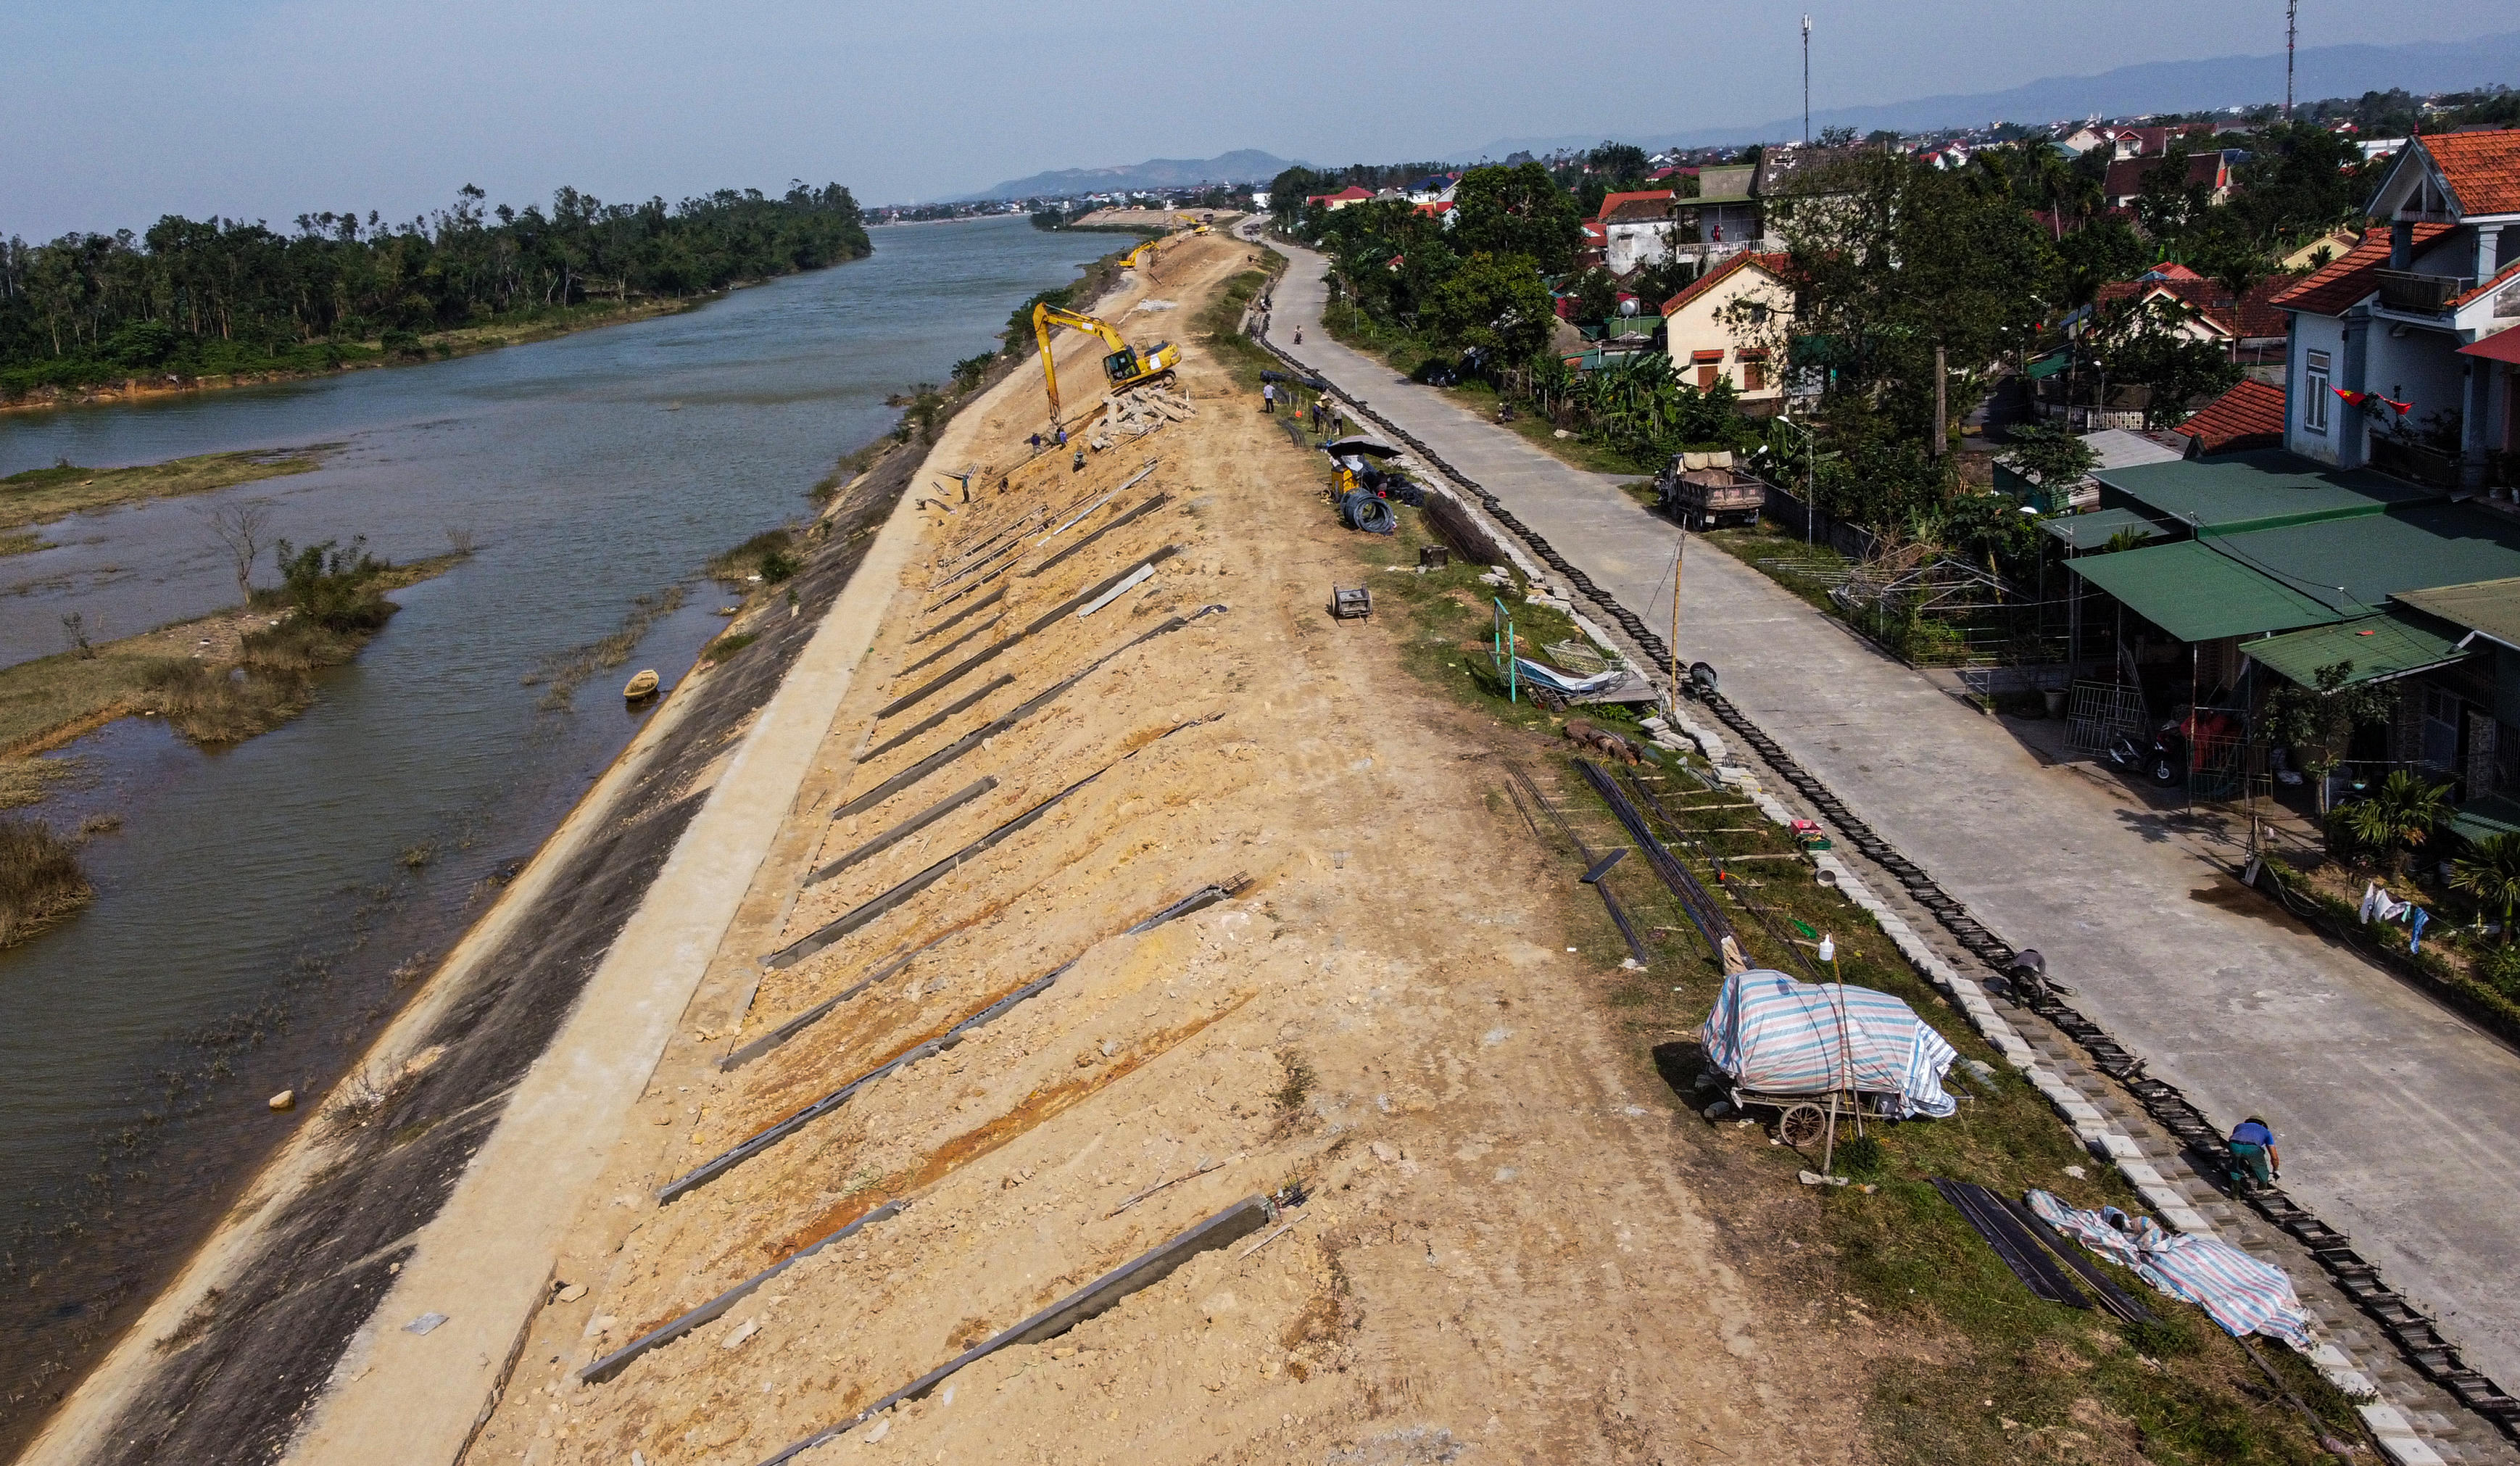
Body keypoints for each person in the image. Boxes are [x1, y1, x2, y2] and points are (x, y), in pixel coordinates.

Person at [2229, 1117, 2280, 1189]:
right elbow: (2274, 1157)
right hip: (2252, 1148)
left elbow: (2236, 1138)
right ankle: (2262, 1191)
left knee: (2236, 1168)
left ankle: (2235, 1194)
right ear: (2263, 1124)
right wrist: (2276, 1170)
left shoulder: (2239, 1126)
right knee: (2262, 1173)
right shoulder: (2266, 1132)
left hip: (2234, 1145)